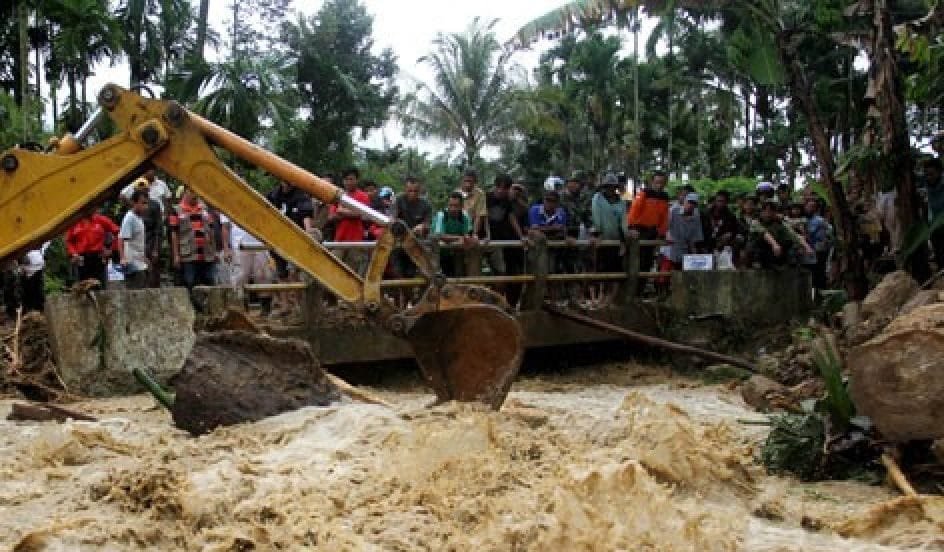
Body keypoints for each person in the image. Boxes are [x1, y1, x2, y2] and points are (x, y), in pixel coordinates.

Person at [169, 189, 218, 302]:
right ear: (186, 192)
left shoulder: (204, 209)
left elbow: (211, 230)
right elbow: (174, 234)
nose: (195, 195)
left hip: (206, 253)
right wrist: (176, 255)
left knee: (209, 279)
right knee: (190, 281)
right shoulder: (176, 210)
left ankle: (207, 307)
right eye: (192, 192)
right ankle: (192, 307)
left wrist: (214, 250)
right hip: (188, 254)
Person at [745, 199, 810, 269]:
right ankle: (757, 262)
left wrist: (807, 247)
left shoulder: (779, 223)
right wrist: (775, 245)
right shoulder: (755, 221)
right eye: (765, 210)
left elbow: (793, 234)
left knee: (789, 241)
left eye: (771, 210)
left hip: (771, 251)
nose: (768, 213)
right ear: (761, 211)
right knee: (759, 241)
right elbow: (765, 234)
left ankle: (783, 262)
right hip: (756, 252)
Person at [627, 170, 670, 274]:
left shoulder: (664, 197)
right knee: (637, 260)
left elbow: (664, 217)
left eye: (661, 183)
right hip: (639, 231)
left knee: (648, 262)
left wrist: (662, 233)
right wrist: (632, 227)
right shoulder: (644, 194)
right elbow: (634, 211)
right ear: (652, 182)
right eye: (657, 182)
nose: (659, 185)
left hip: (653, 232)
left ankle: (642, 285)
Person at [65, 209, 122, 288]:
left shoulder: (101, 220)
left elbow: (118, 232)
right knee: (82, 289)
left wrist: (111, 250)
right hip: (81, 259)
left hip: (98, 258)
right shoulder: (74, 222)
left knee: (100, 286)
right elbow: (69, 240)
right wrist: (74, 254)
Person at [329, 168, 370, 275]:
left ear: (357, 180)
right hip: (339, 240)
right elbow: (331, 216)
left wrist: (342, 211)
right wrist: (349, 212)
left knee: (351, 273)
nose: (349, 182)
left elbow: (361, 213)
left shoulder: (363, 196)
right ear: (343, 181)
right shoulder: (338, 195)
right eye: (346, 179)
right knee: (333, 267)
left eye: (351, 179)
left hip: (356, 241)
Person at [484, 175, 526, 276]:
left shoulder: (508, 200)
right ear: (495, 186)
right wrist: (487, 235)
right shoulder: (486, 197)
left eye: (505, 188)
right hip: (484, 237)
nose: (500, 190)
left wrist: (521, 236)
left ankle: (502, 292)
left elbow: (512, 218)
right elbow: (482, 217)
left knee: (501, 271)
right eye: (498, 187)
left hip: (498, 239)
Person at [391, 177, 433, 278]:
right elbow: (392, 219)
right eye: (410, 190)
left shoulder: (426, 205)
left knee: (411, 274)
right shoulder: (398, 200)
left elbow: (428, 224)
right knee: (397, 273)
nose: (413, 193)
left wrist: (422, 226)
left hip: (416, 244)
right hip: (398, 244)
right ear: (405, 189)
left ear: (419, 191)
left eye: (415, 191)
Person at [590, 173, 627, 273]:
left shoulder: (621, 202)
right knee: (598, 271)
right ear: (604, 187)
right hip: (600, 239)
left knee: (616, 271)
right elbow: (596, 217)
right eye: (608, 186)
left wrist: (623, 241)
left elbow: (623, 222)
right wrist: (596, 234)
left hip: (616, 240)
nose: (610, 189)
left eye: (613, 186)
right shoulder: (597, 198)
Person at [432, 192, 473, 277]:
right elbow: (440, 236)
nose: (453, 208)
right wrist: (459, 238)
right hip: (438, 253)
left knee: (459, 275)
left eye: (456, 206)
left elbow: (467, 235)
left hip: (456, 252)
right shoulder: (441, 215)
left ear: (461, 206)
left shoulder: (464, 216)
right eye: (450, 205)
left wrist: (466, 238)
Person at [119, 190, 151, 289]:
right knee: (135, 291)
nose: (145, 206)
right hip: (132, 264)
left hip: (140, 261)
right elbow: (121, 239)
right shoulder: (129, 218)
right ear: (134, 203)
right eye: (143, 203)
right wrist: (123, 258)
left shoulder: (139, 218)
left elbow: (138, 242)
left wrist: (144, 257)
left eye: (146, 203)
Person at [667, 193, 705, 268]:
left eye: (694, 203)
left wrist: (694, 255)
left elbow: (695, 237)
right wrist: (667, 233)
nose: (691, 205)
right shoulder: (673, 211)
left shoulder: (696, 217)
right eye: (689, 202)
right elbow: (665, 225)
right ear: (685, 201)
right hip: (672, 248)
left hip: (686, 250)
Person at [804, 198, 830, 291]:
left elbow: (828, 231)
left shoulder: (819, 220)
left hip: (818, 250)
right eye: (808, 206)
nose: (809, 208)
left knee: (819, 273)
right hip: (808, 251)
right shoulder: (805, 219)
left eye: (812, 207)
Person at [924, 157, 944, 267]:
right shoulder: (928, 186)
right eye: (927, 174)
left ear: (940, 172)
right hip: (935, 229)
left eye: (931, 174)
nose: (929, 177)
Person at [458, 169, 487, 239]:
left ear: (475, 182)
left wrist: (474, 234)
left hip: (474, 226)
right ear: (462, 181)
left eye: (470, 181)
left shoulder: (480, 194)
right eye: (466, 181)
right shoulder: (457, 193)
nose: (468, 184)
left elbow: (479, 216)